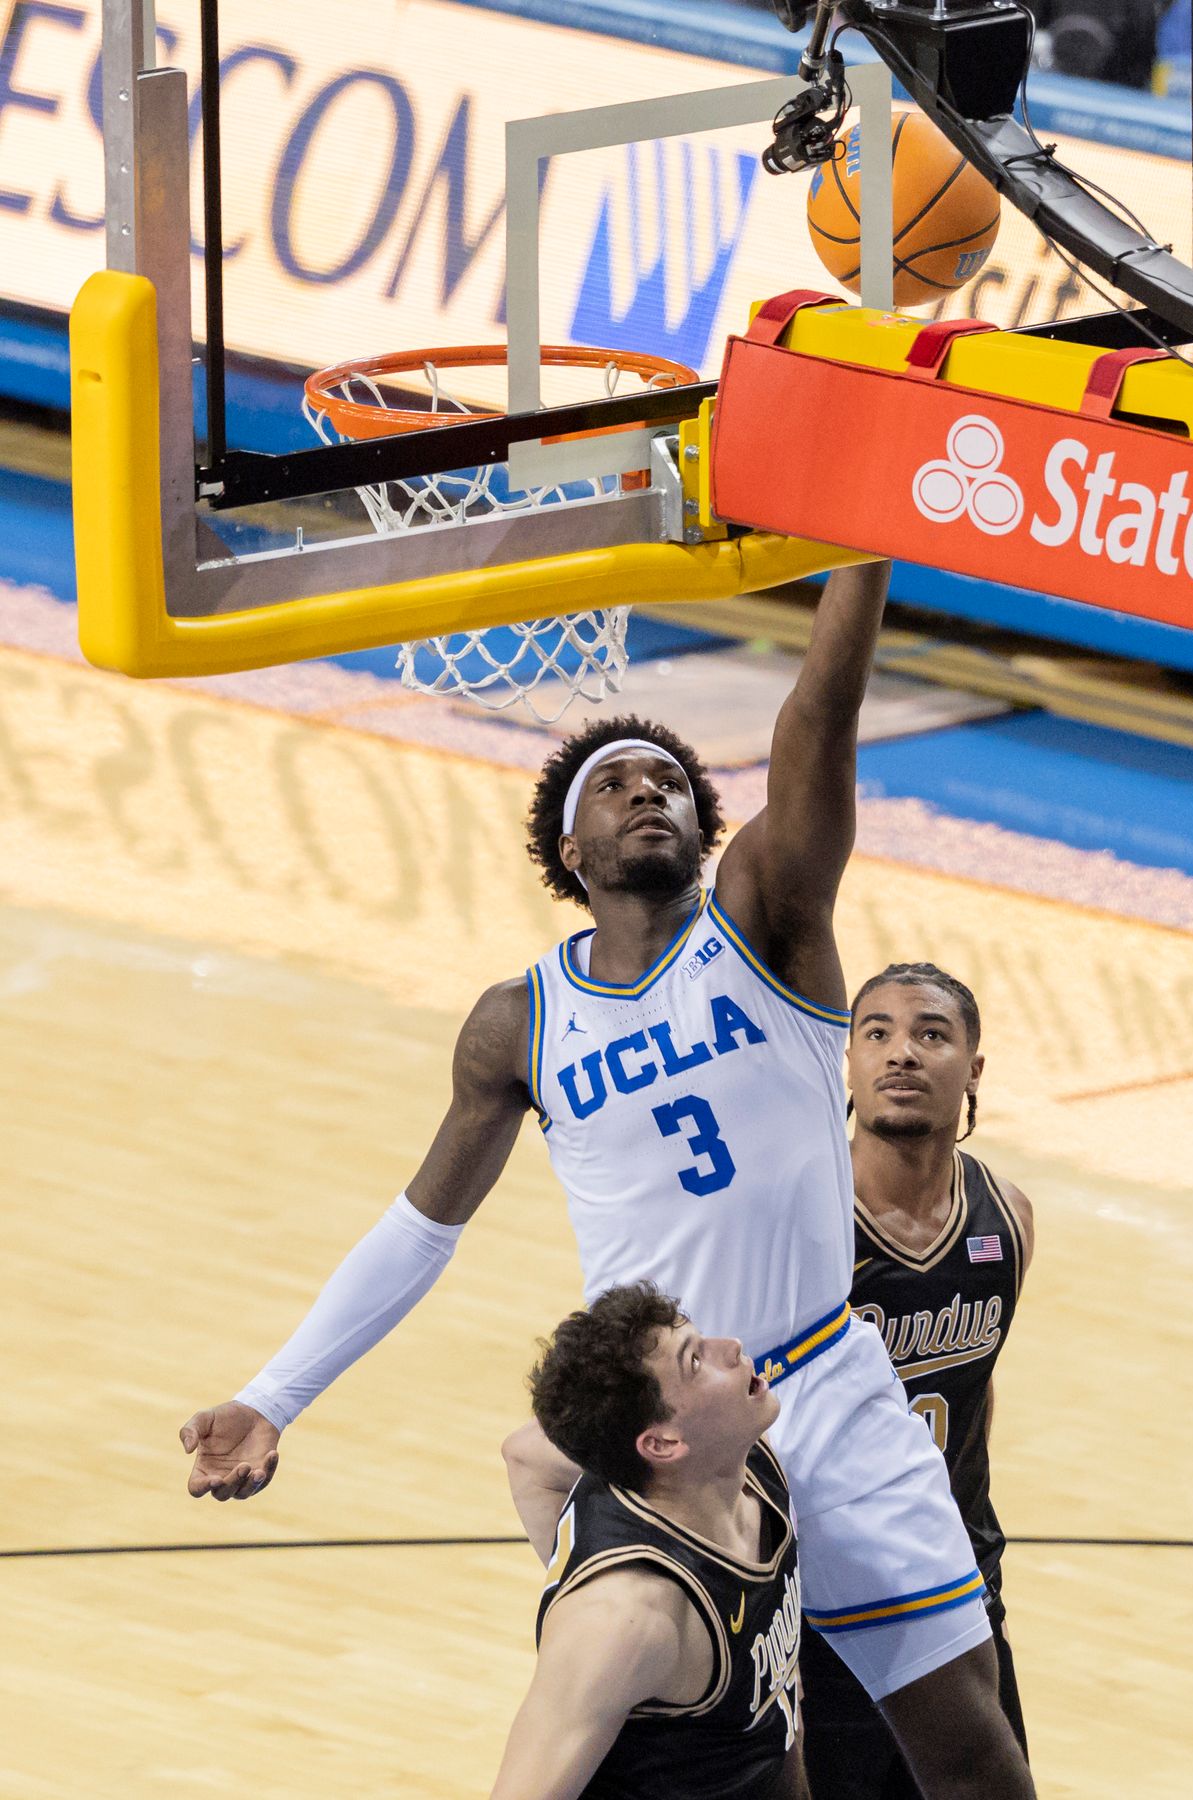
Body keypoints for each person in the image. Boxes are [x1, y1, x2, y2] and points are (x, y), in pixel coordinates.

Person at [179, 560, 1034, 1798]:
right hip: (666, 1434)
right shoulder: (517, 1022)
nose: (651, 793)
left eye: (674, 784)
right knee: (746, 1764)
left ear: (707, 831)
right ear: (568, 846)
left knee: (968, 1751)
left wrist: (865, 544)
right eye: (617, 785)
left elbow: (818, 722)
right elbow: (422, 1230)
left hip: (822, 1390)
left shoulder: (767, 926)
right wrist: (275, 1397)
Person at [799, 963, 1033, 1799]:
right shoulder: (802, 1221)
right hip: (826, 1604)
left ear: (973, 1068)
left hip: (959, 1581)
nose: (902, 1053)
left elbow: (977, 1388)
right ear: (850, 1063)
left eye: (932, 1034)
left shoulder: (1006, 1216)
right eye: (878, 1033)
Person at [494, 1281, 807, 1800]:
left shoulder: (744, 1458)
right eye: (695, 1361)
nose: (730, 1348)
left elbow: (525, 1453)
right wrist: (584, 1587)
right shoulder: (626, 1622)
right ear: (662, 1442)